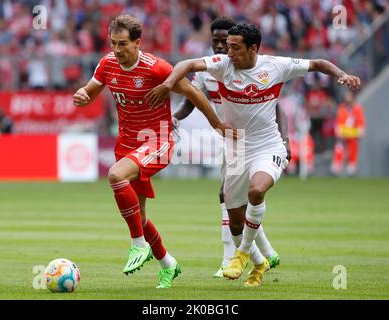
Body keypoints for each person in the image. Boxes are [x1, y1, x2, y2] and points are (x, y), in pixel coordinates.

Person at [146, 23, 361, 287]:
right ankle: (260, 263)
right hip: (236, 148)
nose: (229, 51)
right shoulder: (222, 65)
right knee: (235, 222)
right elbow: (188, 65)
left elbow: (316, 63)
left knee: (256, 191)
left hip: (268, 145)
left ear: (253, 49)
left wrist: (341, 74)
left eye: (235, 47)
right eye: (227, 46)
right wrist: (168, 84)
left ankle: (243, 254)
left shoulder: (276, 66)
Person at [73, 15, 233, 289]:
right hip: (126, 143)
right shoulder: (107, 64)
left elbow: (194, 92)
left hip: (156, 141)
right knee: (140, 215)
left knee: (115, 176)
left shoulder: (156, 69)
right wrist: (83, 96)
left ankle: (138, 245)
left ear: (138, 43)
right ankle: (168, 264)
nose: (117, 49)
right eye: (113, 43)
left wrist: (217, 123)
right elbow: (91, 90)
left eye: (123, 43)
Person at [172, 17, 282, 278]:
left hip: (254, 140)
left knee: (228, 196)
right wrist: (175, 115)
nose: (222, 46)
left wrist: (284, 139)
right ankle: (266, 253)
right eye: (217, 41)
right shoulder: (207, 71)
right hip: (230, 139)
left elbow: (276, 109)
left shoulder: (255, 68)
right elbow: (191, 102)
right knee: (234, 199)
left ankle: (230, 259)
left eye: (227, 41)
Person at [331, 90, 365, 176]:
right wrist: (339, 131)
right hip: (343, 132)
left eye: (349, 96)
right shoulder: (342, 108)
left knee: (353, 147)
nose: (347, 98)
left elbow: (360, 122)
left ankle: (351, 166)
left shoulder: (357, 108)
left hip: (353, 133)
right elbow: (338, 121)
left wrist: (360, 130)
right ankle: (337, 166)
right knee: (339, 147)